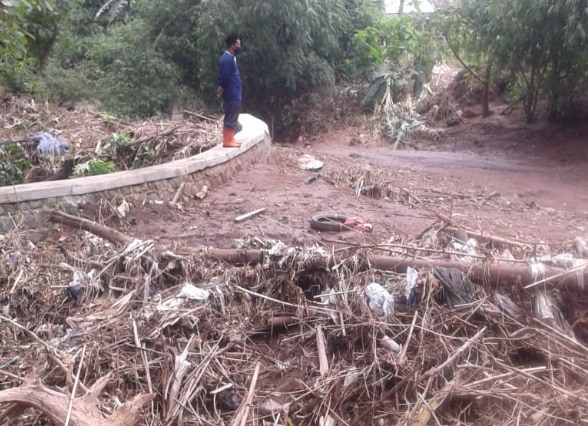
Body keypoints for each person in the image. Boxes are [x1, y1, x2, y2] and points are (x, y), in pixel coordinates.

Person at [217, 34, 242, 148]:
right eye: (238, 44)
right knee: (230, 115)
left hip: (235, 91)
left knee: (233, 114)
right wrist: (222, 87)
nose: (239, 46)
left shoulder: (231, 58)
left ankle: (231, 138)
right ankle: (227, 140)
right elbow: (224, 77)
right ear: (232, 45)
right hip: (231, 93)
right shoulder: (227, 59)